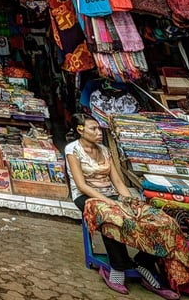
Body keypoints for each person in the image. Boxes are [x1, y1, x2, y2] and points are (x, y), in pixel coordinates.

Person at [65, 116, 179, 298]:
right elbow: (81, 185)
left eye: (99, 129)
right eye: (93, 129)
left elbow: (117, 181)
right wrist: (109, 202)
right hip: (86, 196)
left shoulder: (104, 150)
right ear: (80, 130)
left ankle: (144, 262)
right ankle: (118, 268)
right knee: (111, 217)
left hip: (111, 193)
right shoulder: (72, 150)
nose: (98, 133)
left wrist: (131, 202)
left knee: (161, 220)